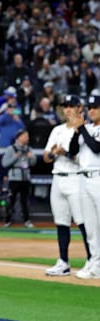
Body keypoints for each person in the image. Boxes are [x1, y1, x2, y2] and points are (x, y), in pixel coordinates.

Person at [43, 95, 91, 276]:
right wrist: (55, 153)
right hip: (58, 178)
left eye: (71, 106)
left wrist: (67, 153)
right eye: (65, 106)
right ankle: (63, 261)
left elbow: (85, 159)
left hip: (76, 178)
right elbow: (46, 157)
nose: (68, 110)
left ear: (80, 108)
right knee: (61, 222)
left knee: (83, 222)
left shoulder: (85, 129)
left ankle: (91, 261)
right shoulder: (57, 130)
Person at [68, 95, 100, 279]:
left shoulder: (89, 129)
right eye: (90, 107)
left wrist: (82, 129)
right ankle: (94, 264)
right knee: (90, 226)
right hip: (84, 179)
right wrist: (76, 131)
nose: (91, 110)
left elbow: (96, 147)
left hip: (98, 178)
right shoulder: (85, 128)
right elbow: (72, 151)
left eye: (95, 107)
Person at [1, 129, 37, 228]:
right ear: (19, 137)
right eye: (25, 136)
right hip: (14, 178)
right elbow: (4, 163)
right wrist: (15, 157)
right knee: (11, 200)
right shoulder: (11, 149)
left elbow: (33, 163)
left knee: (25, 201)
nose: (27, 138)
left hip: (25, 178)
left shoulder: (29, 149)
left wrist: (31, 157)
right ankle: (7, 220)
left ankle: (26, 220)